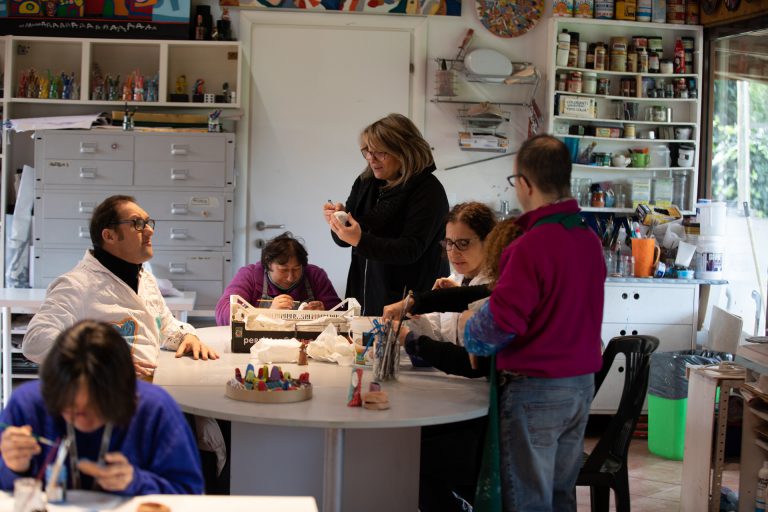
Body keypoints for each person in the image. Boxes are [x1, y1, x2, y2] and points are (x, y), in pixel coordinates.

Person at [462, 134, 606, 511]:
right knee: (560, 496)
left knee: (528, 501)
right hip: (580, 387)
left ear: (525, 184)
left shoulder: (530, 246)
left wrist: (468, 328)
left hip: (536, 391)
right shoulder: (588, 240)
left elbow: (498, 327)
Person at [22, 195, 219, 379]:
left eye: (148, 223)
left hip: (149, 387)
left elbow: (164, 325)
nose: (149, 231)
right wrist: (102, 359)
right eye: (137, 224)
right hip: (106, 396)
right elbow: (35, 340)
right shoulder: (76, 284)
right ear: (109, 236)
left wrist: (186, 336)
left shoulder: (144, 278)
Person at [0, 320, 204, 495]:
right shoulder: (28, 405)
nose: (82, 420)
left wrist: (136, 482)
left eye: (97, 408)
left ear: (125, 394)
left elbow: (190, 492)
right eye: (71, 409)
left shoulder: (154, 409)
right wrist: (12, 467)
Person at [324, 113, 449, 316]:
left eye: (380, 153)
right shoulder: (365, 182)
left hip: (409, 299)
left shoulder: (428, 191)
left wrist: (360, 240)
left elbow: (410, 249)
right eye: (367, 151)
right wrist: (338, 221)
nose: (371, 159)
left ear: (404, 151)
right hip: (363, 293)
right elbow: (345, 241)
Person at [215, 232, 341, 326]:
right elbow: (223, 312)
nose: (291, 278)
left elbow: (341, 313)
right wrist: (268, 313)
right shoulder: (250, 275)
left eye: (297, 269)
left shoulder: (315, 275)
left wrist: (324, 313)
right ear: (267, 264)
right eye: (283, 270)